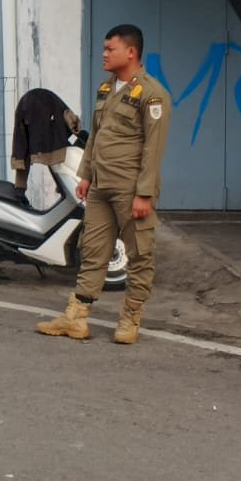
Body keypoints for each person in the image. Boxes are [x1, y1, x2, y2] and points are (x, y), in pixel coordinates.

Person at [36, 23, 170, 344]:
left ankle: (130, 321)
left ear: (131, 52)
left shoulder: (152, 94)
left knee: (139, 255)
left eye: (110, 49)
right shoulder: (106, 89)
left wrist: (144, 194)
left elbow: (154, 148)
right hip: (100, 187)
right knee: (93, 251)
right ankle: (76, 318)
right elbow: (95, 136)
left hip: (130, 188)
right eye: (104, 49)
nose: (104, 55)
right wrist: (85, 175)